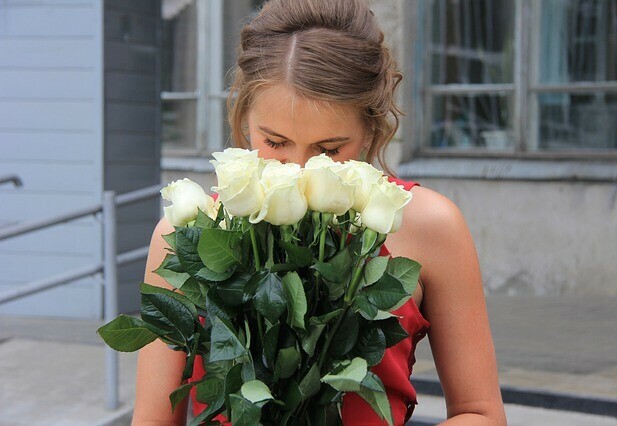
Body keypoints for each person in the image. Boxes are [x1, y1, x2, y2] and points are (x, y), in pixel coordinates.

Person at [133, 0, 507, 424]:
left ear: (371, 129)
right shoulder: (189, 232)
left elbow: (481, 413)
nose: (298, 171)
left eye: (329, 149)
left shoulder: (428, 225)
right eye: (275, 142)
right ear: (243, 118)